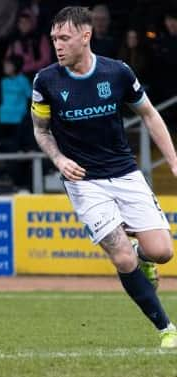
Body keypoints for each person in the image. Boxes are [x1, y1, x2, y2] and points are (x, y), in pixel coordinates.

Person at [31, 6, 177, 348]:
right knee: (121, 256)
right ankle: (167, 329)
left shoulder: (118, 73)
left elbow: (150, 116)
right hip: (83, 181)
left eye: (64, 38)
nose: (57, 45)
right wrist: (59, 159)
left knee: (162, 252)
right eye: (54, 39)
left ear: (86, 36)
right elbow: (40, 130)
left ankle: (144, 256)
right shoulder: (46, 81)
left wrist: (173, 159)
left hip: (125, 172)